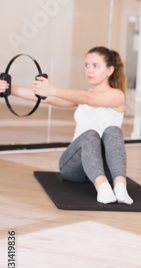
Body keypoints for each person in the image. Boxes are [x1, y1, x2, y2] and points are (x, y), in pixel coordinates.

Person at [11, 46, 133, 205]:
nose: (89, 70)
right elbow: (46, 98)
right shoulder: (82, 96)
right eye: (87, 65)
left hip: (108, 167)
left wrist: (53, 89)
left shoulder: (117, 96)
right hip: (74, 166)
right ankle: (102, 187)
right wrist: (10, 89)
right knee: (90, 134)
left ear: (110, 70)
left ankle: (120, 187)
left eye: (96, 66)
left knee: (113, 131)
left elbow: (88, 99)